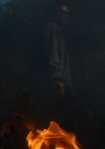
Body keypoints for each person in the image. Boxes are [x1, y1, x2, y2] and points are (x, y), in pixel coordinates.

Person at [36, 0, 72, 130]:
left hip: (60, 82)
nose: (65, 16)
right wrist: (56, 78)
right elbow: (53, 53)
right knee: (53, 121)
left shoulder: (59, 32)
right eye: (62, 12)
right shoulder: (52, 27)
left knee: (57, 122)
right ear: (54, 13)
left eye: (67, 13)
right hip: (55, 83)